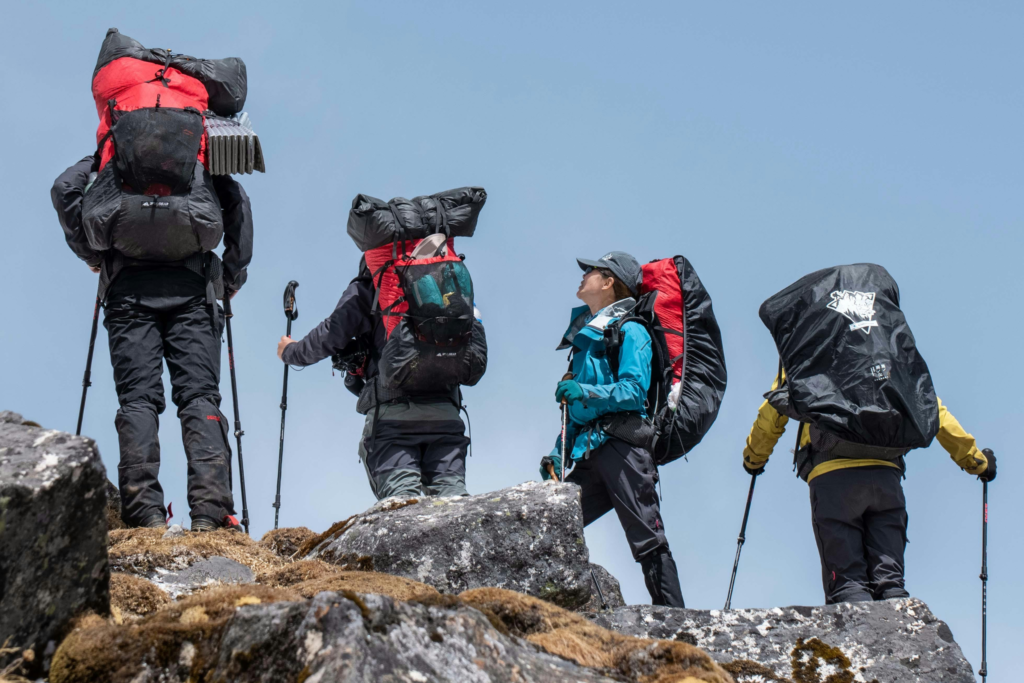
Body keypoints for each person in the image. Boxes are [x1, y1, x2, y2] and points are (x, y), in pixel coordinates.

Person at [52, 154, 253, 532]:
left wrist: (92, 254)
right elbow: (237, 202)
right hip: (193, 288)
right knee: (199, 398)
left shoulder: (114, 150)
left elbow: (65, 189)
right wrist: (232, 276)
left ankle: (145, 516)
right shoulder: (197, 149)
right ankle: (211, 514)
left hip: (127, 292)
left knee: (138, 401)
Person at [742, 377, 996, 604]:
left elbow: (774, 409)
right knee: (890, 584)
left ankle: (854, 648)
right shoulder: (883, 343)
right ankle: (901, 645)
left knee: (848, 586)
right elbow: (932, 407)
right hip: (886, 477)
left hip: (832, 476)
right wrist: (976, 462)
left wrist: (754, 459)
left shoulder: (810, 339)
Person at [539, 252, 685, 607]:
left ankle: (678, 626)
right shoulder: (588, 338)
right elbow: (574, 413)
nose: (584, 276)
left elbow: (633, 391)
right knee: (554, 527)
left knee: (647, 539)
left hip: (624, 449)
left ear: (609, 282)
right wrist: (558, 455)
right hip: (593, 453)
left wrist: (584, 390)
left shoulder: (631, 330)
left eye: (591, 271)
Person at [277, 258, 472, 500]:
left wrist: (290, 351)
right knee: (454, 500)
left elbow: (331, 333)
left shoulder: (374, 283)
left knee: (402, 505)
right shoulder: (445, 279)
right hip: (447, 415)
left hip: (393, 420)